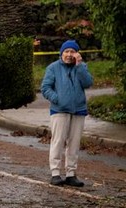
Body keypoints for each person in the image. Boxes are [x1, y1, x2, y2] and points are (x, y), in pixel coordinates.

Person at [40, 39, 94, 187]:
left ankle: (71, 173)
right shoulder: (53, 68)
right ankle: (55, 173)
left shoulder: (81, 67)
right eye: (66, 51)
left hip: (79, 110)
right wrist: (57, 99)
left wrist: (80, 66)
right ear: (61, 53)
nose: (69, 54)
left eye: (72, 51)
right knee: (58, 141)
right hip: (59, 110)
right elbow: (45, 88)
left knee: (74, 143)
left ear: (77, 54)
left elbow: (88, 83)